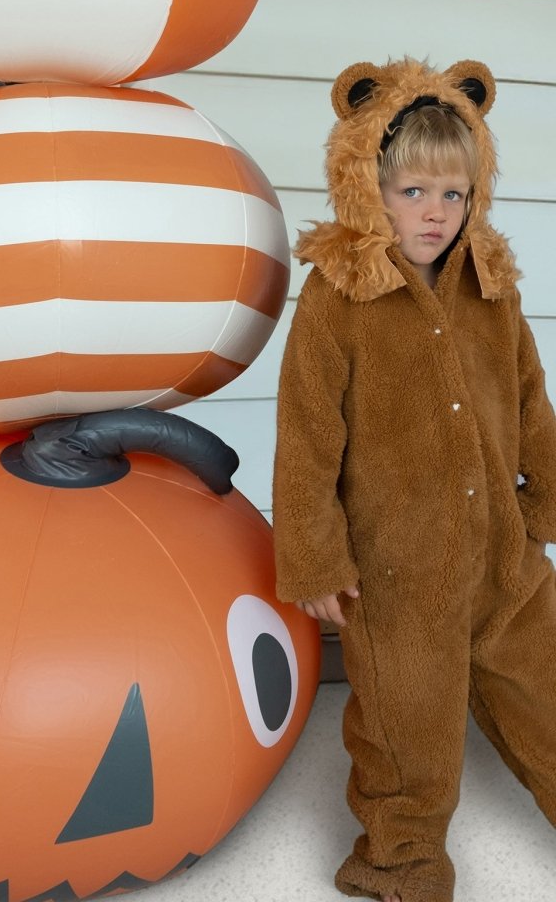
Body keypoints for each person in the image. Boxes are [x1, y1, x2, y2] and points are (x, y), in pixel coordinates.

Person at [271, 57, 556, 902]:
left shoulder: (491, 291)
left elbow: (531, 401)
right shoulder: (335, 300)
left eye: (452, 196)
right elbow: (308, 436)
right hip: (398, 574)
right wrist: (317, 560)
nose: (433, 215)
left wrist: (543, 497)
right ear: (367, 187)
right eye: (412, 193)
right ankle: (402, 862)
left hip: (503, 555)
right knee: (409, 732)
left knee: (544, 686)